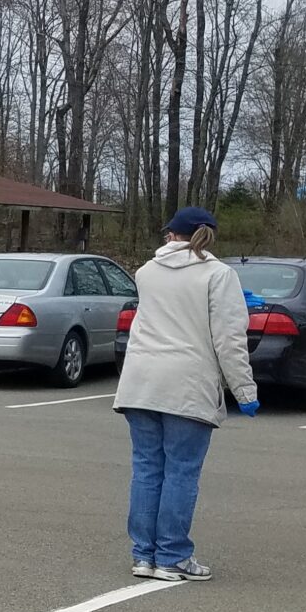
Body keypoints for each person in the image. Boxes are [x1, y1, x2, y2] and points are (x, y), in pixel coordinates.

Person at [113, 206, 258, 583]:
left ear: (171, 235)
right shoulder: (219, 275)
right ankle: (173, 556)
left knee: (146, 470)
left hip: (141, 383)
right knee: (181, 472)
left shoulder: (145, 272)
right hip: (188, 383)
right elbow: (229, 340)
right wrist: (244, 391)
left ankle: (143, 555)